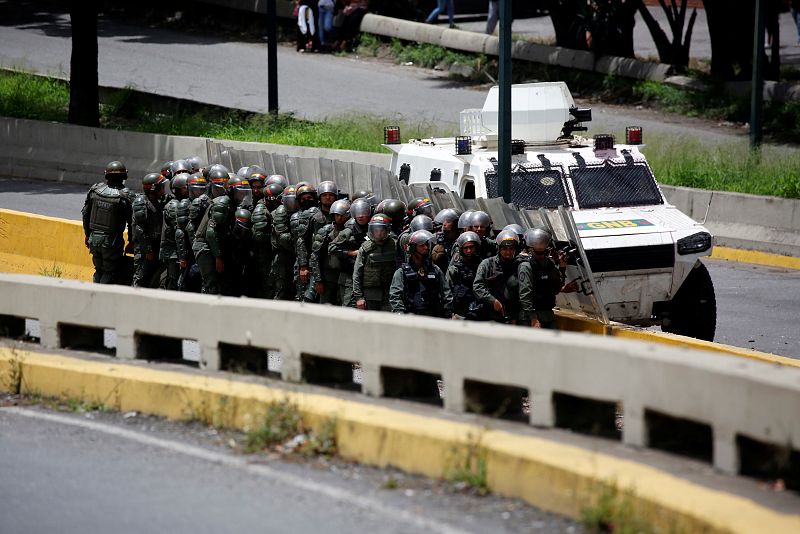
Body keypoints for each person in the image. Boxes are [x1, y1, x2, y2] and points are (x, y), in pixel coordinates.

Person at [82, 161, 133, 285]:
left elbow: (85, 215)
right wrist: (131, 241)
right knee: (109, 272)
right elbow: (133, 222)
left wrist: (88, 235)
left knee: (98, 270)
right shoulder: (126, 196)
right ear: (124, 176)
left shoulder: (95, 191)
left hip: (94, 240)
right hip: (112, 243)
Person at [518, 228, 578, 328]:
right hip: (530, 316)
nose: (540, 246)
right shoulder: (526, 266)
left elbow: (556, 288)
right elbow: (525, 294)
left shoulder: (549, 263)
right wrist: (533, 318)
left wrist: (562, 267)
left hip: (548, 314)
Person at [389, 229, 452, 317]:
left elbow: (446, 293)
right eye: (422, 245)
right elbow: (395, 296)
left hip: (433, 316)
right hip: (411, 317)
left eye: (426, 245)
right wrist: (400, 315)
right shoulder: (401, 272)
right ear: (412, 248)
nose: (426, 248)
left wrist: (448, 312)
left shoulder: (435, 269)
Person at [473, 229, 521, 324]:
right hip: (490, 315)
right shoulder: (487, 264)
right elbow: (477, 287)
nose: (508, 252)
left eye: (511, 249)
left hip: (513, 315)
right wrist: (493, 301)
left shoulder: (519, 266)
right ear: (499, 249)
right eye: (505, 249)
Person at [329, 197, 371, 307]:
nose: (360, 216)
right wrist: (351, 253)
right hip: (349, 277)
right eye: (357, 213)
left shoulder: (374, 229)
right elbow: (332, 248)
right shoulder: (348, 231)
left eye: (364, 212)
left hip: (369, 278)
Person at [352, 213, 397, 312]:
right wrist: (359, 297)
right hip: (370, 295)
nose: (379, 233)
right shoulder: (365, 248)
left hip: (390, 293)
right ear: (372, 231)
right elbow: (357, 274)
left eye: (382, 230)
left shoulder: (395, 246)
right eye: (376, 230)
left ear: (387, 230)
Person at [131, 172, 168, 288]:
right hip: (144, 250)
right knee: (140, 277)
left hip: (154, 246)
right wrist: (148, 250)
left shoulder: (157, 201)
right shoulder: (141, 202)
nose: (163, 189)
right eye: (161, 187)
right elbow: (140, 229)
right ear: (154, 188)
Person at [310, 198, 350, 304]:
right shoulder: (325, 231)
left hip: (346, 277)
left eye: (342, 215)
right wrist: (318, 280)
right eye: (337, 215)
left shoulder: (352, 231)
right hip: (328, 277)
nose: (340, 218)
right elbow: (315, 256)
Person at [447, 231, 484, 320]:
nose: (469, 251)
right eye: (465, 248)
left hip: (481, 311)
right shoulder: (454, 269)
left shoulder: (483, 266)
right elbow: (447, 291)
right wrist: (450, 313)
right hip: (461, 313)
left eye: (471, 247)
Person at [270, 186, 298, 300]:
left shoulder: (301, 212)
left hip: (295, 255)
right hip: (283, 255)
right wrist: (298, 248)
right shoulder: (280, 212)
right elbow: (283, 238)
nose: (292, 204)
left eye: (294, 200)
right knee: (281, 289)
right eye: (289, 200)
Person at [431, 207, 460, 272]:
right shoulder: (436, 238)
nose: (444, 224)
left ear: (456, 223)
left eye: (448, 221)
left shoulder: (461, 240)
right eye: (444, 221)